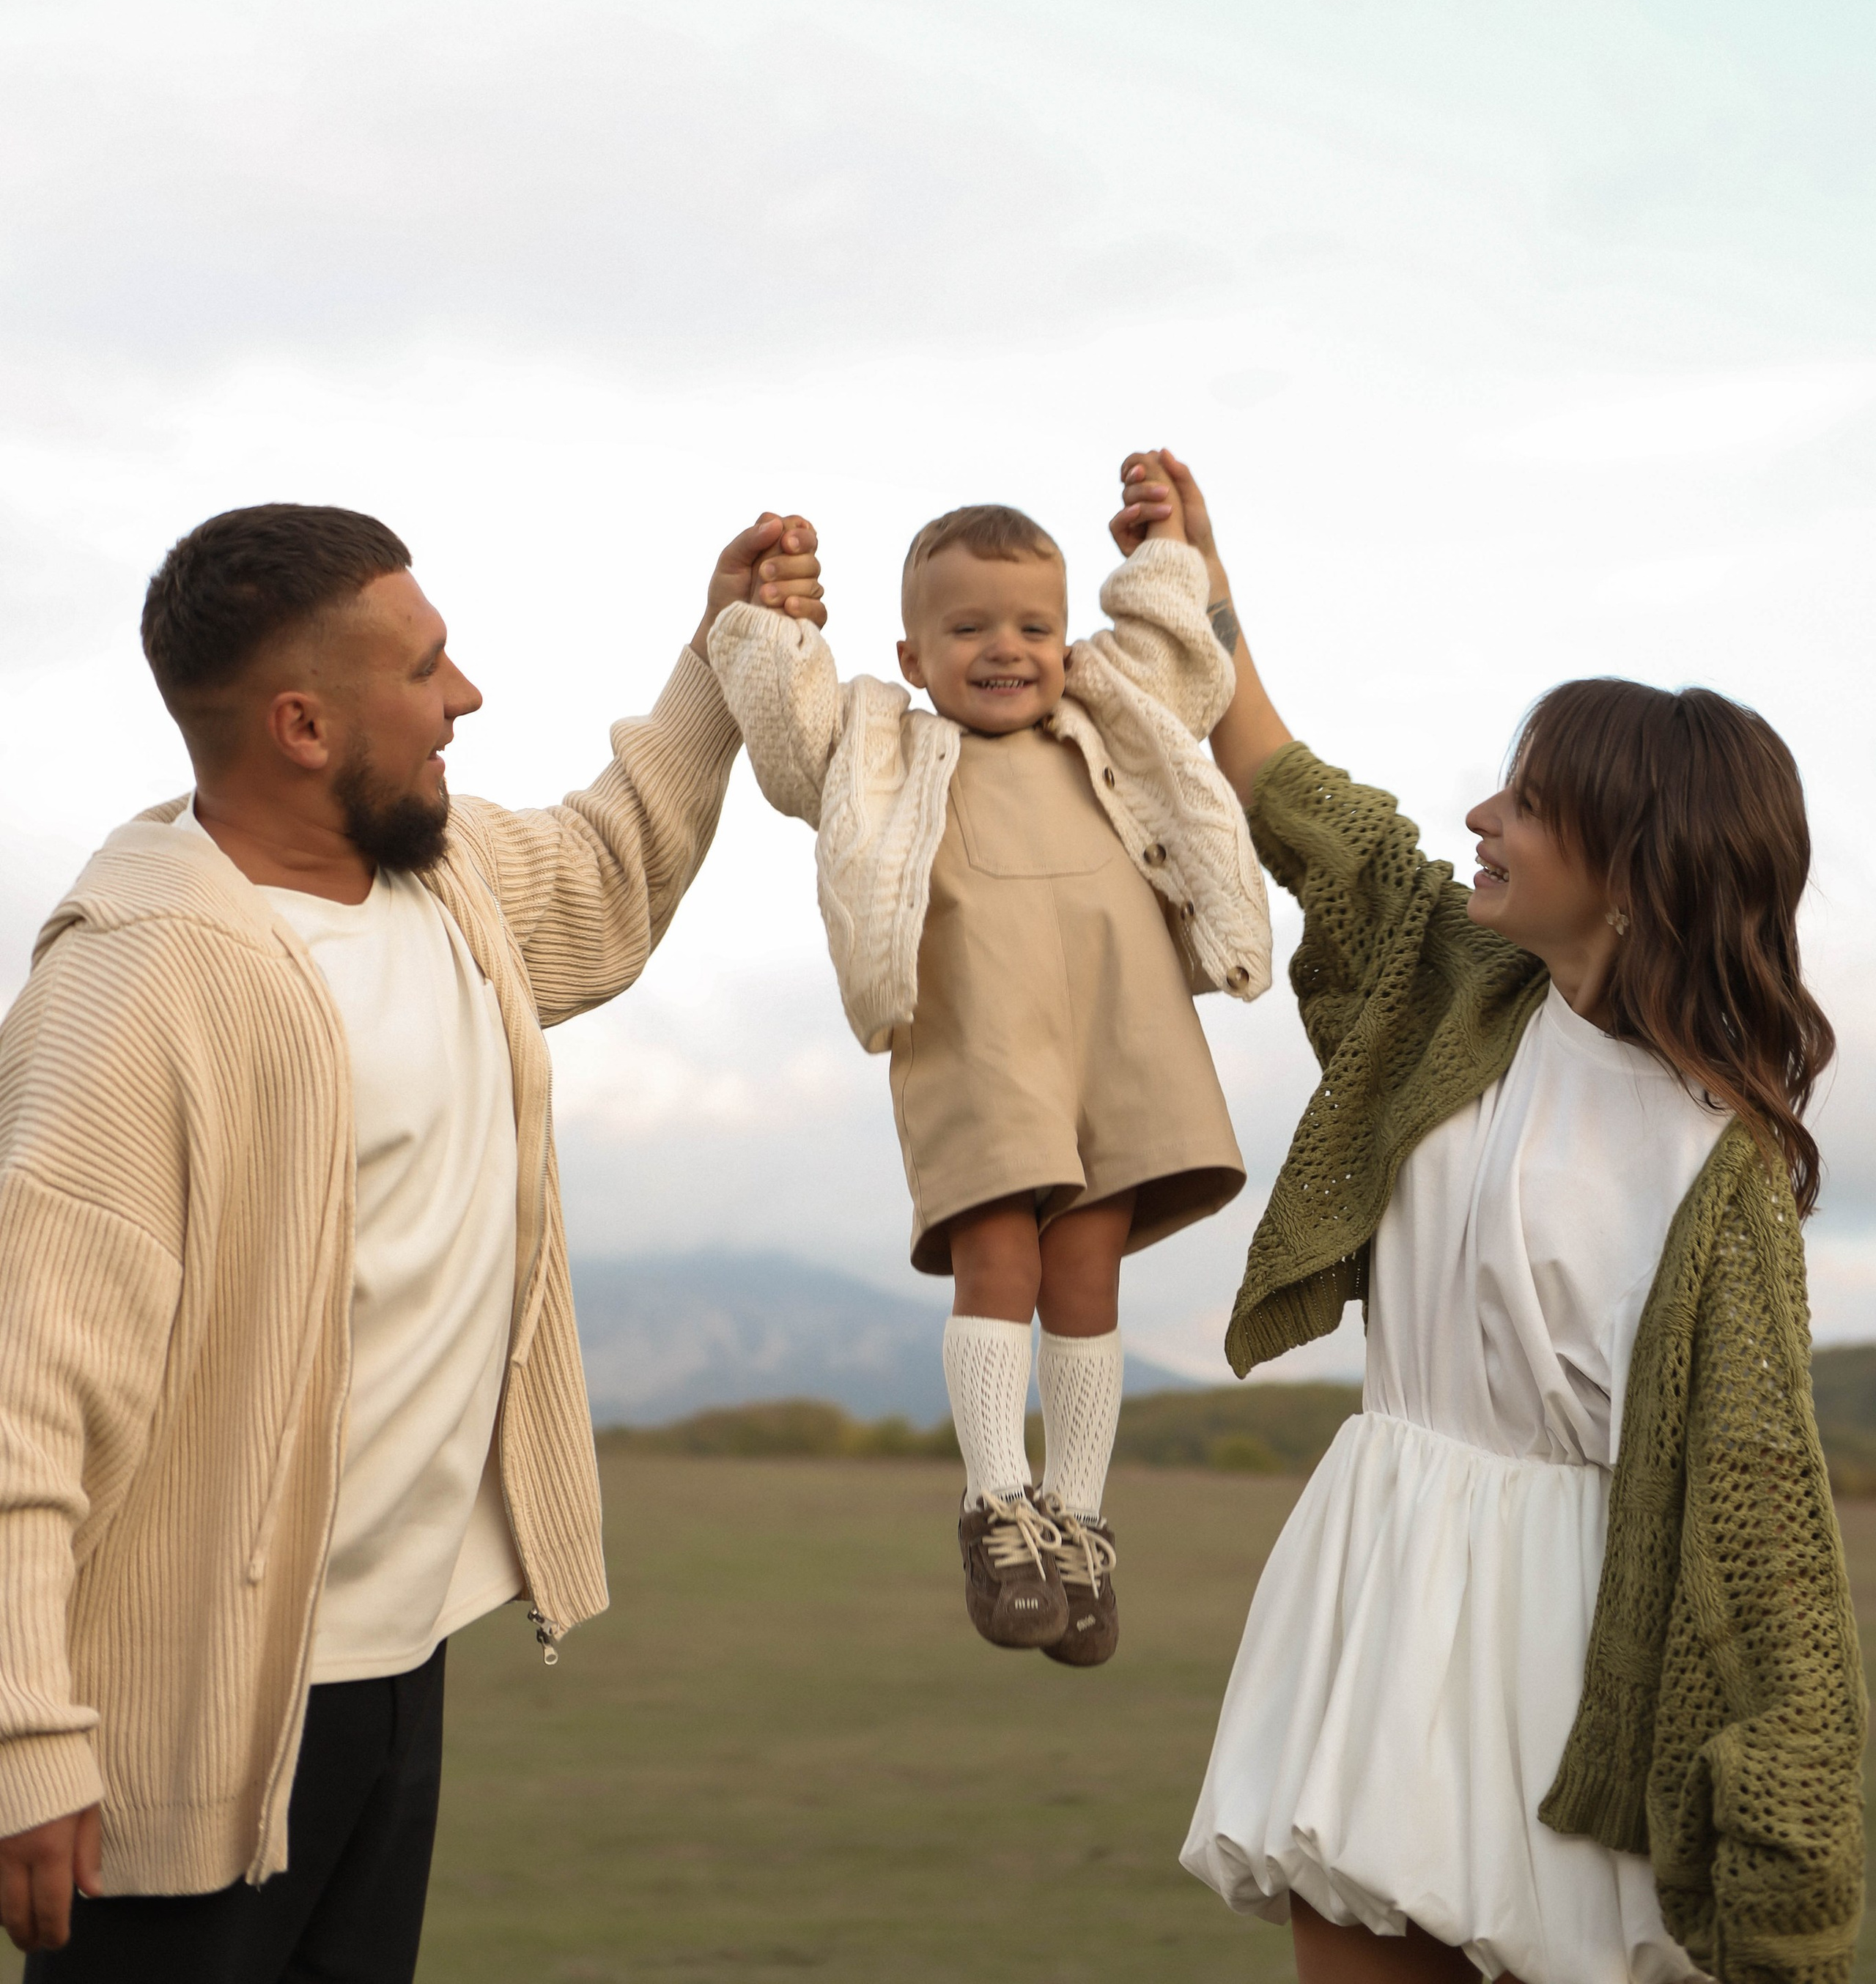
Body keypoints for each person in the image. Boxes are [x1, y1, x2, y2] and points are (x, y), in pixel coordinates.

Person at [0, 495, 824, 1982]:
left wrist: (720, 655)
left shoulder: (446, 882)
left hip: (393, 1671)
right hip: (185, 1713)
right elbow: (20, 1397)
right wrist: (24, 1740)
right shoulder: (133, 994)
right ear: (304, 727)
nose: (466, 697)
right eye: (426, 668)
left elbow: (608, 864)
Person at [1108, 452, 1866, 1984]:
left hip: (1575, 1640)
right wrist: (1202, 587)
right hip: (1386, 1571)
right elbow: (1305, 808)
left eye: (1523, 801)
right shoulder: (1457, 996)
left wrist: (1800, 1874)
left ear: (1633, 871)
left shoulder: (1715, 1168)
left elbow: (1759, 1517)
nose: (1476, 814)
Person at [707, 494, 1271, 1667]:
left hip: (1125, 1024)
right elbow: (787, 726)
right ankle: (996, 1505)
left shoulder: (1110, 720)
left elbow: (1182, 662)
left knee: (1088, 1265)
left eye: (1032, 627)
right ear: (911, 656)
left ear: (1066, 643)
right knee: (998, 1253)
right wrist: (775, 618)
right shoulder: (884, 747)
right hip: (981, 1029)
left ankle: (1076, 1516)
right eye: (967, 630)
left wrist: (1169, 547)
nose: (1005, 649)